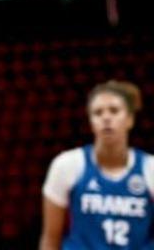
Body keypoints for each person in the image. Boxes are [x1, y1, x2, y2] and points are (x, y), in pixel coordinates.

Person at [41, 80, 152, 249]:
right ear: (91, 122)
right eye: (98, 113)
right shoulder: (66, 165)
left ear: (130, 119)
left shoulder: (150, 168)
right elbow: (50, 238)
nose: (106, 118)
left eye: (114, 111)